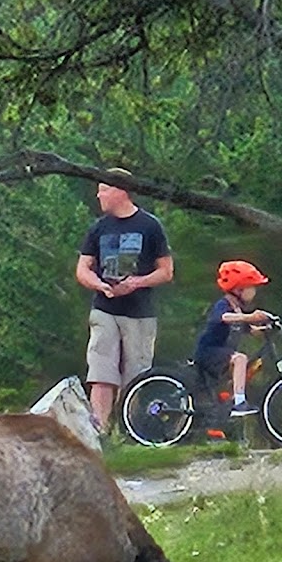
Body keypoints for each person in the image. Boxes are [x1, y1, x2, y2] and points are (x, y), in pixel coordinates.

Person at [76, 172, 174, 431]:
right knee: (101, 372)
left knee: (136, 375)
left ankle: (130, 428)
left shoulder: (150, 226)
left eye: (104, 190)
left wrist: (137, 282)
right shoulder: (98, 228)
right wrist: (98, 284)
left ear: (121, 191)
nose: (99, 195)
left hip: (139, 313)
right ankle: (99, 429)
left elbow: (166, 271)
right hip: (104, 308)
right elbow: (83, 267)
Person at [194, 260, 278, 416]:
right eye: (251, 287)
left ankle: (229, 397)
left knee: (238, 364)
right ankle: (239, 402)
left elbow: (251, 330)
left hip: (221, 352)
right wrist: (250, 316)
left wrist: (266, 328)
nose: (254, 292)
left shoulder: (238, 310)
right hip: (209, 351)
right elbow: (224, 317)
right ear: (238, 289)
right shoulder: (224, 305)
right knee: (240, 359)